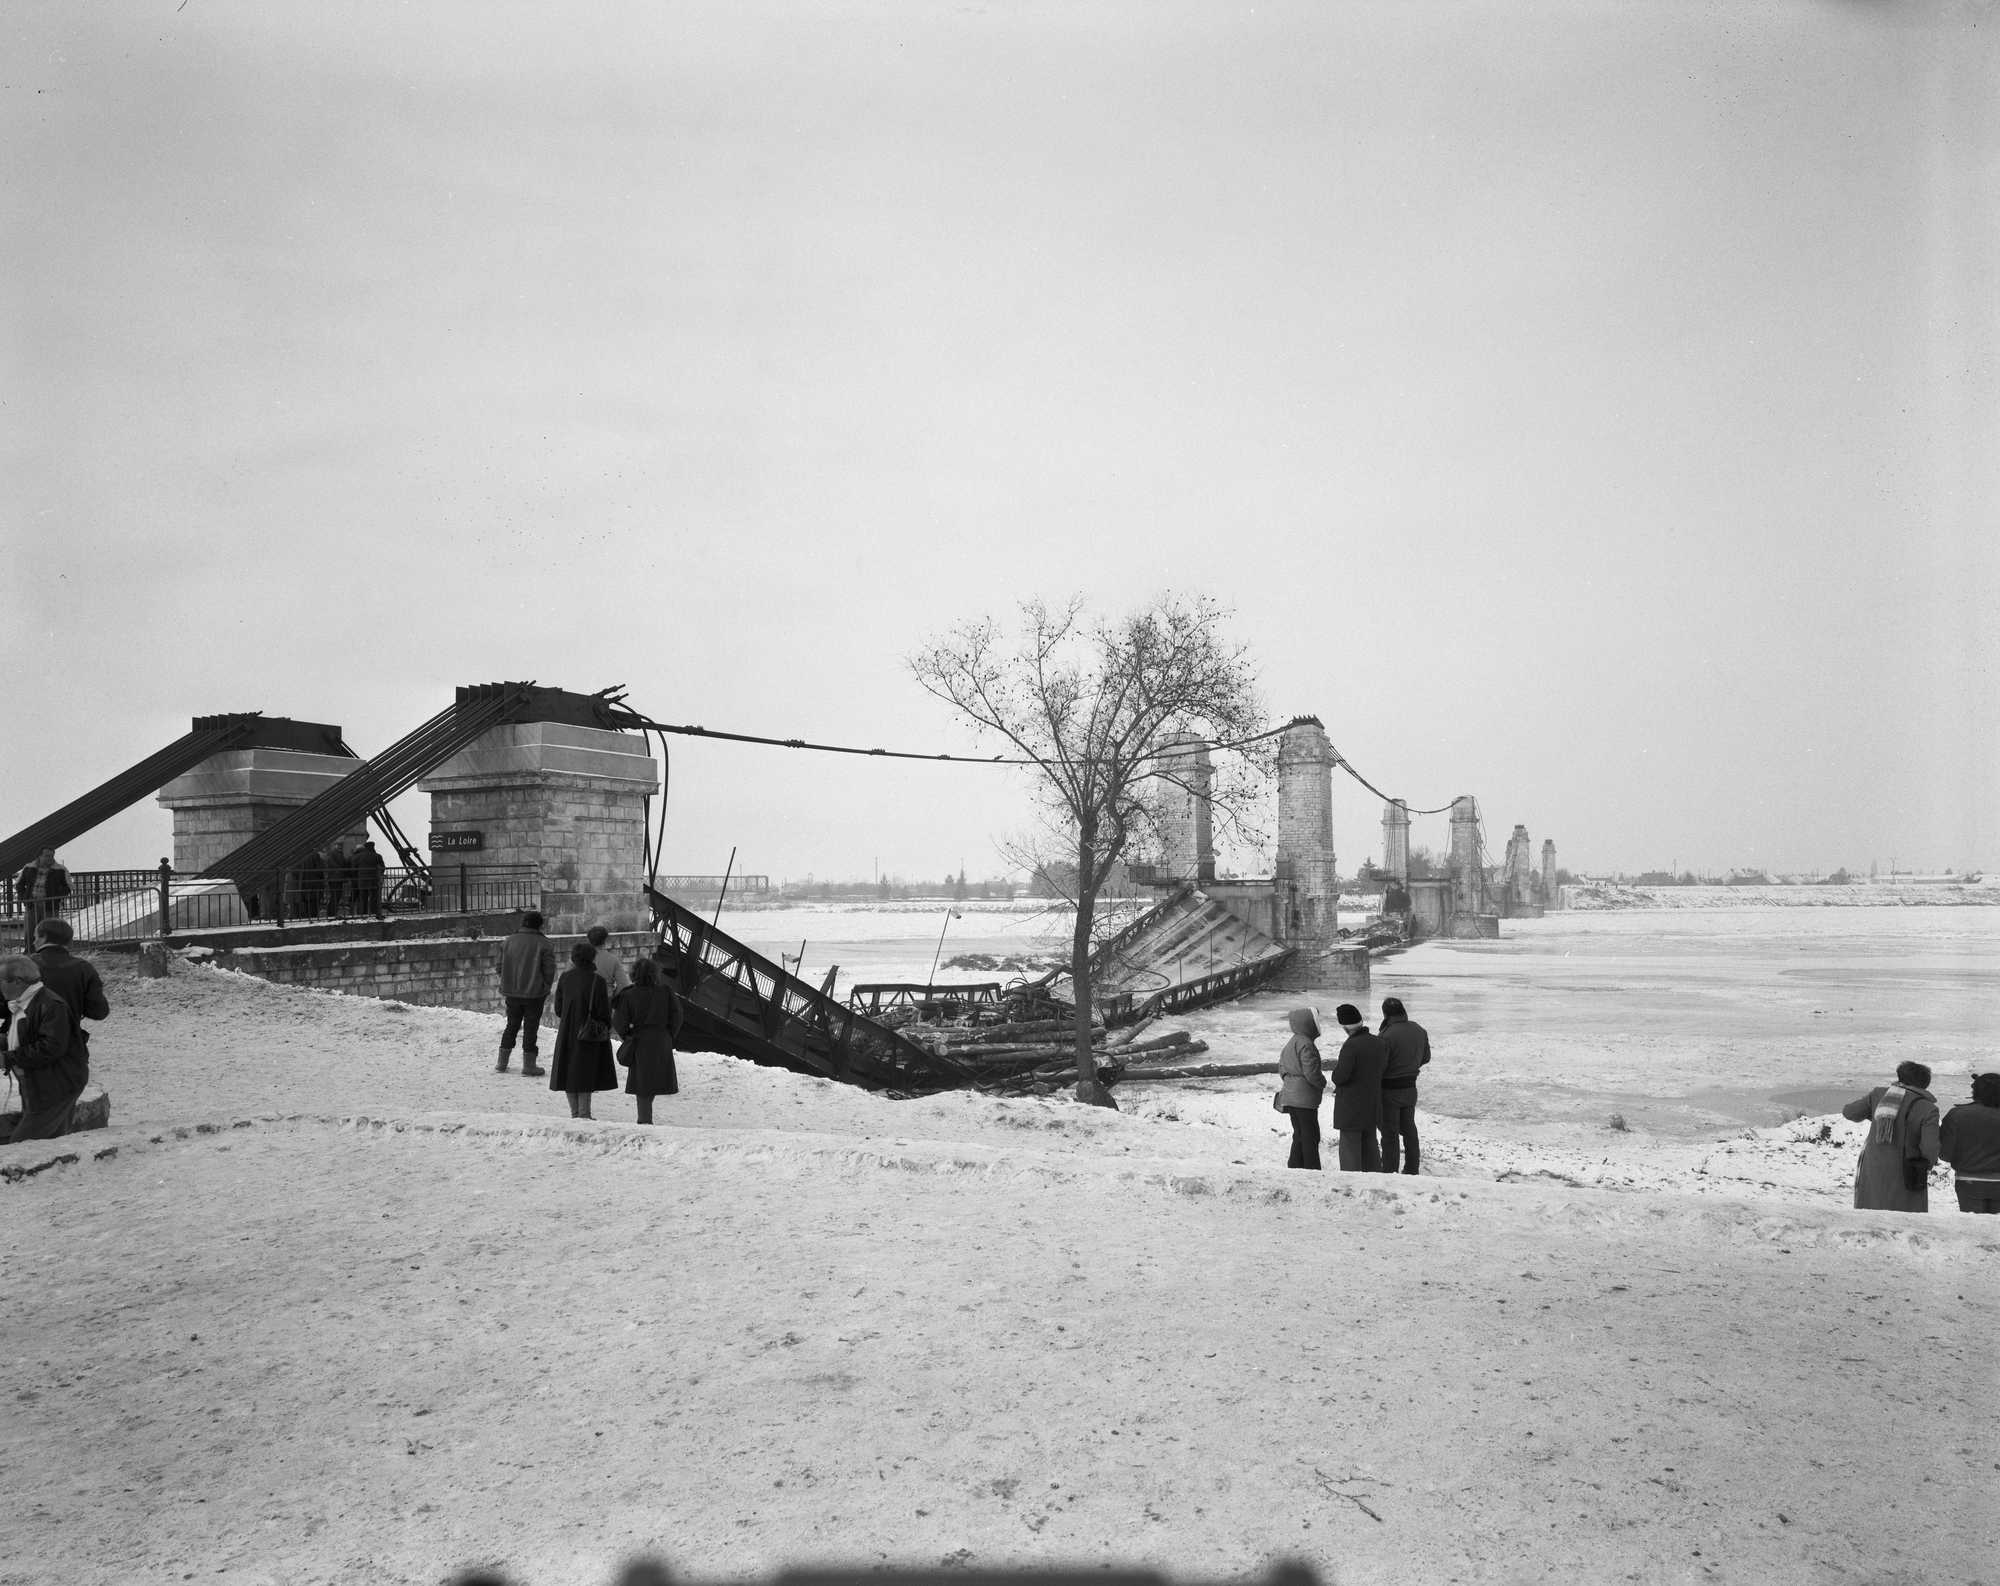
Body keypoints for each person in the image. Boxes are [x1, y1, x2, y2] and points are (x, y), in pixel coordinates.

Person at [1, 956, 85, 1143]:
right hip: (37, 1083)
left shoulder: (50, 1005)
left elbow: (51, 1047)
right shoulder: (22, 1003)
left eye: (0, 981)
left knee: (23, 1144)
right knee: (53, 1142)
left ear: (18, 981)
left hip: (56, 1085)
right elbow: (19, 1036)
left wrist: (8, 1058)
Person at [1841, 1060, 1942, 1213]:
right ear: (1925, 1084)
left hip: (1873, 1166)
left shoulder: (1879, 1095)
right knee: (1903, 1215)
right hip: (1907, 1170)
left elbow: (1850, 1112)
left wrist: (1877, 1115)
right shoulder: (1928, 1109)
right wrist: (1925, 1166)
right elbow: (1930, 1146)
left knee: (1871, 1209)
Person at [613, 956, 685, 1124]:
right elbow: (677, 1015)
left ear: (634, 974)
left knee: (642, 1083)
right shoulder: (665, 992)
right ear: (655, 974)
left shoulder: (628, 995)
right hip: (661, 1039)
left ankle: (644, 1119)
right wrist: (669, 1035)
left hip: (640, 1040)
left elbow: (619, 1022)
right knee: (653, 1080)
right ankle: (645, 1118)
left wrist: (628, 1037)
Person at [550, 942, 615, 1119]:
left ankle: (575, 1112)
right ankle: (584, 1113)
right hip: (589, 1032)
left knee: (568, 1071)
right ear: (592, 958)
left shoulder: (565, 978)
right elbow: (603, 1011)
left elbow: (558, 1009)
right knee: (585, 1072)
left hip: (567, 1031)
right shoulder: (598, 981)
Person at [496, 910, 558, 1076]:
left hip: (512, 991)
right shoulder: (544, 944)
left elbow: (499, 967)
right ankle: (529, 1065)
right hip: (534, 993)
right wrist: (545, 986)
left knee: (512, 1024)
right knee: (531, 1027)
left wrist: (508, 979)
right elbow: (549, 971)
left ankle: (502, 1063)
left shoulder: (508, 941)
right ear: (540, 925)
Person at [1330, 1003, 1387, 1173]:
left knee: (1350, 1146)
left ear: (1345, 1026)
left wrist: (1334, 1075)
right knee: (1370, 1143)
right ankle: (1374, 1175)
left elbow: (1340, 1076)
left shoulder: (1351, 1046)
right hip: (1372, 1101)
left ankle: (1351, 1181)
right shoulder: (1379, 1042)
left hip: (1351, 1106)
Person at [1377, 995, 1431, 1175]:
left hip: (1389, 1090)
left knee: (1390, 1133)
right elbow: (1426, 1057)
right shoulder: (1419, 1030)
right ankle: (1411, 1168)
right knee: (1409, 1129)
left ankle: (1390, 1169)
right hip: (1410, 1088)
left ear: (1386, 1014)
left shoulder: (1386, 1035)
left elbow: (1380, 1065)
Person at [31, 920, 110, 1036]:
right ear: (69, 941)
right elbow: (99, 1012)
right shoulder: (84, 968)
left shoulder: (24, 965)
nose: (34, 942)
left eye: (35, 937)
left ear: (43, 938)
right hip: (69, 1040)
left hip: (28, 1043)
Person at [1939, 1072, 2000, 1215]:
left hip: (1969, 1182)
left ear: (1975, 1091)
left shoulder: (1957, 1115)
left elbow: (1944, 1155)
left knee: (1974, 1230)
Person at [1274, 1007, 1325, 1169]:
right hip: (1304, 1098)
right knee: (1311, 1135)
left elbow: (1281, 1068)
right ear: (1309, 1023)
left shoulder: (1292, 1041)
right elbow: (1311, 1072)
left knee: (1300, 1134)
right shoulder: (1306, 1044)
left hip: (1290, 1096)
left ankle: (1295, 1165)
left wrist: (1290, 1083)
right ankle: (1312, 1167)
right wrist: (1322, 1083)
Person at [16, 848, 70, 950]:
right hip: (32, 905)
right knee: (30, 931)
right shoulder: (28, 868)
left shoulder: (60, 869)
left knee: (50, 930)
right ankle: (30, 952)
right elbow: (19, 884)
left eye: (52, 856)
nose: (50, 858)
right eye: (47, 856)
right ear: (39, 856)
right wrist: (24, 898)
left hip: (50, 906)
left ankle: (48, 952)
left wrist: (57, 897)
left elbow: (68, 886)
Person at [585, 925, 629, 997]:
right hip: (606, 999)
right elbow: (623, 985)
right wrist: (613, 997)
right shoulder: (613, 960)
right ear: (605, 940)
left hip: (584, 999)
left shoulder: (581, 958)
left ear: (589, 940)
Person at [353, 839, 386, 916]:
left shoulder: (359, 856)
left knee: (362, 898)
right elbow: (382, 868)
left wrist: (357, 876)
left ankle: (362, 914)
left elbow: (354, 868)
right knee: (374, 898)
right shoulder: (377, 856)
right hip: (373, 881)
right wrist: (379, 875)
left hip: (362, 880)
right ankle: (374, 913)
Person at [323, 841, 350, 918]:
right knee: (335, 896)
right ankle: (331, 913)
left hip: (337, 878)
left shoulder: (338, 853)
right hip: (335, 878)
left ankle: (332, 912)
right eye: (338, 845)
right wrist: (341, 870)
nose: (340, 847)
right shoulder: (333, 853)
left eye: (341, 845)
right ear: (335, 846)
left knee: (336, 896)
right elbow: (332, 864)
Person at [298, 848, 327, 919]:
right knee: (314, 906)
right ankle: (313, 919)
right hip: (315, 885)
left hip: (305, 884)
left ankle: (308, 919)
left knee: (308, 906)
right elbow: (320, 870)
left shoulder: (303, 856)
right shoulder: (315, 855)